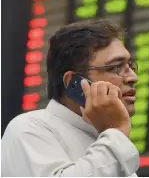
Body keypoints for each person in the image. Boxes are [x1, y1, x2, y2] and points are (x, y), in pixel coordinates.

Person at [1, 19, 140, 177]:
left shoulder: (108, 142)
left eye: (131, 66)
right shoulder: (28, 129)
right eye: (115, 67)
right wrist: (116, 132)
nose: (133, 77)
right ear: (74, 82)